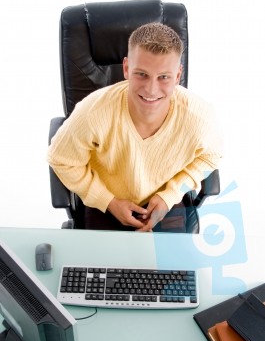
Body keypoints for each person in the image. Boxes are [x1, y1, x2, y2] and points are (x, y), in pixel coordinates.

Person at [48, 22, 222, 232]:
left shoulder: (199, 116)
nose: (151, 89)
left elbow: (212, 156)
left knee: (174, 265)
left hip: (166, 203)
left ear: (177, 76)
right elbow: (60, 159)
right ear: (126, 68)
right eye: (142, 74)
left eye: (164, 77)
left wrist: (170, 196)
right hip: (105, 202)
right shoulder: (93, 111)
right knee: (100, 265)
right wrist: (108, 202)